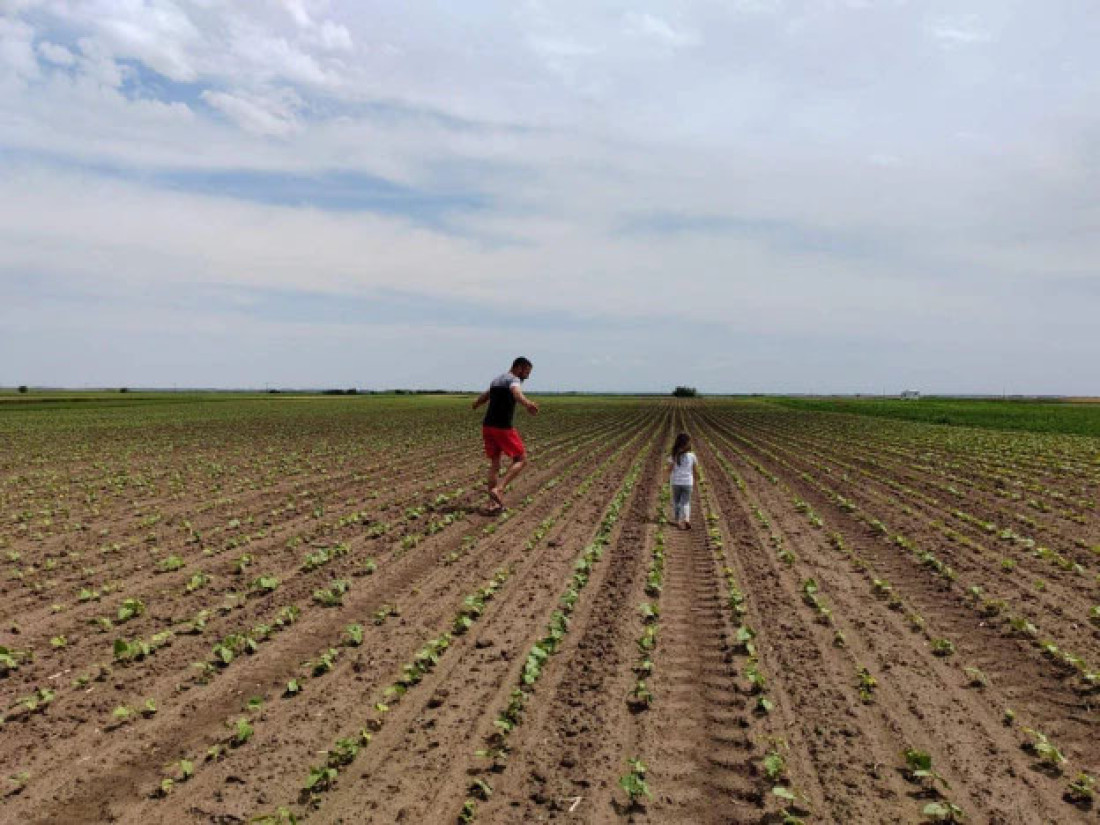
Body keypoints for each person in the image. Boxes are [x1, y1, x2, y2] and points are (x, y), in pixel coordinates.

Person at [472, 357, 539, 513]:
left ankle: (492, 504)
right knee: (521, 459)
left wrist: (476, 404)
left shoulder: (496, 380)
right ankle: (499, 489)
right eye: (526, 372)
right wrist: (528, 404)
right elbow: (516, 394)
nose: (527, 376)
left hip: (488, 426)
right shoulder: (514, 380)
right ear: (519, 368)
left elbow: (485, 396)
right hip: (503, 428)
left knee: (495, 465)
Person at [668, 432, 699, 530]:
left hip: (676, 482)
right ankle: (686, 519)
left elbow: (669, 469)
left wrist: (664, 479)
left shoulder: (673, 455)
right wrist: (698, 479)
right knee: (686, 502)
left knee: (676, 502)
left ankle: (677, 520)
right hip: (688, 482)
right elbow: (695, 470)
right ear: (688, 444)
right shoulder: (692, 456)